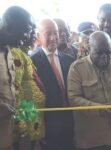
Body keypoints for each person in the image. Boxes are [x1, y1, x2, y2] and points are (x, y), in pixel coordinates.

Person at [31, 18, 75, 150]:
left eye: (55, 33)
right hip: (47, 128)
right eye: (48, 33)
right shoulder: (31, 62)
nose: (53, 37)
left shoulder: (69, 60)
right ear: (38, 36)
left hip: (70, 125)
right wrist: (36, 132)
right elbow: (30, 100)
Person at [0, 6, 37, 150]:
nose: (28, 36)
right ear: (9, 27)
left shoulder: (9, 51)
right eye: (26, 30)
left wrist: (27, 129)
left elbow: (21, 93)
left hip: (7, 137)